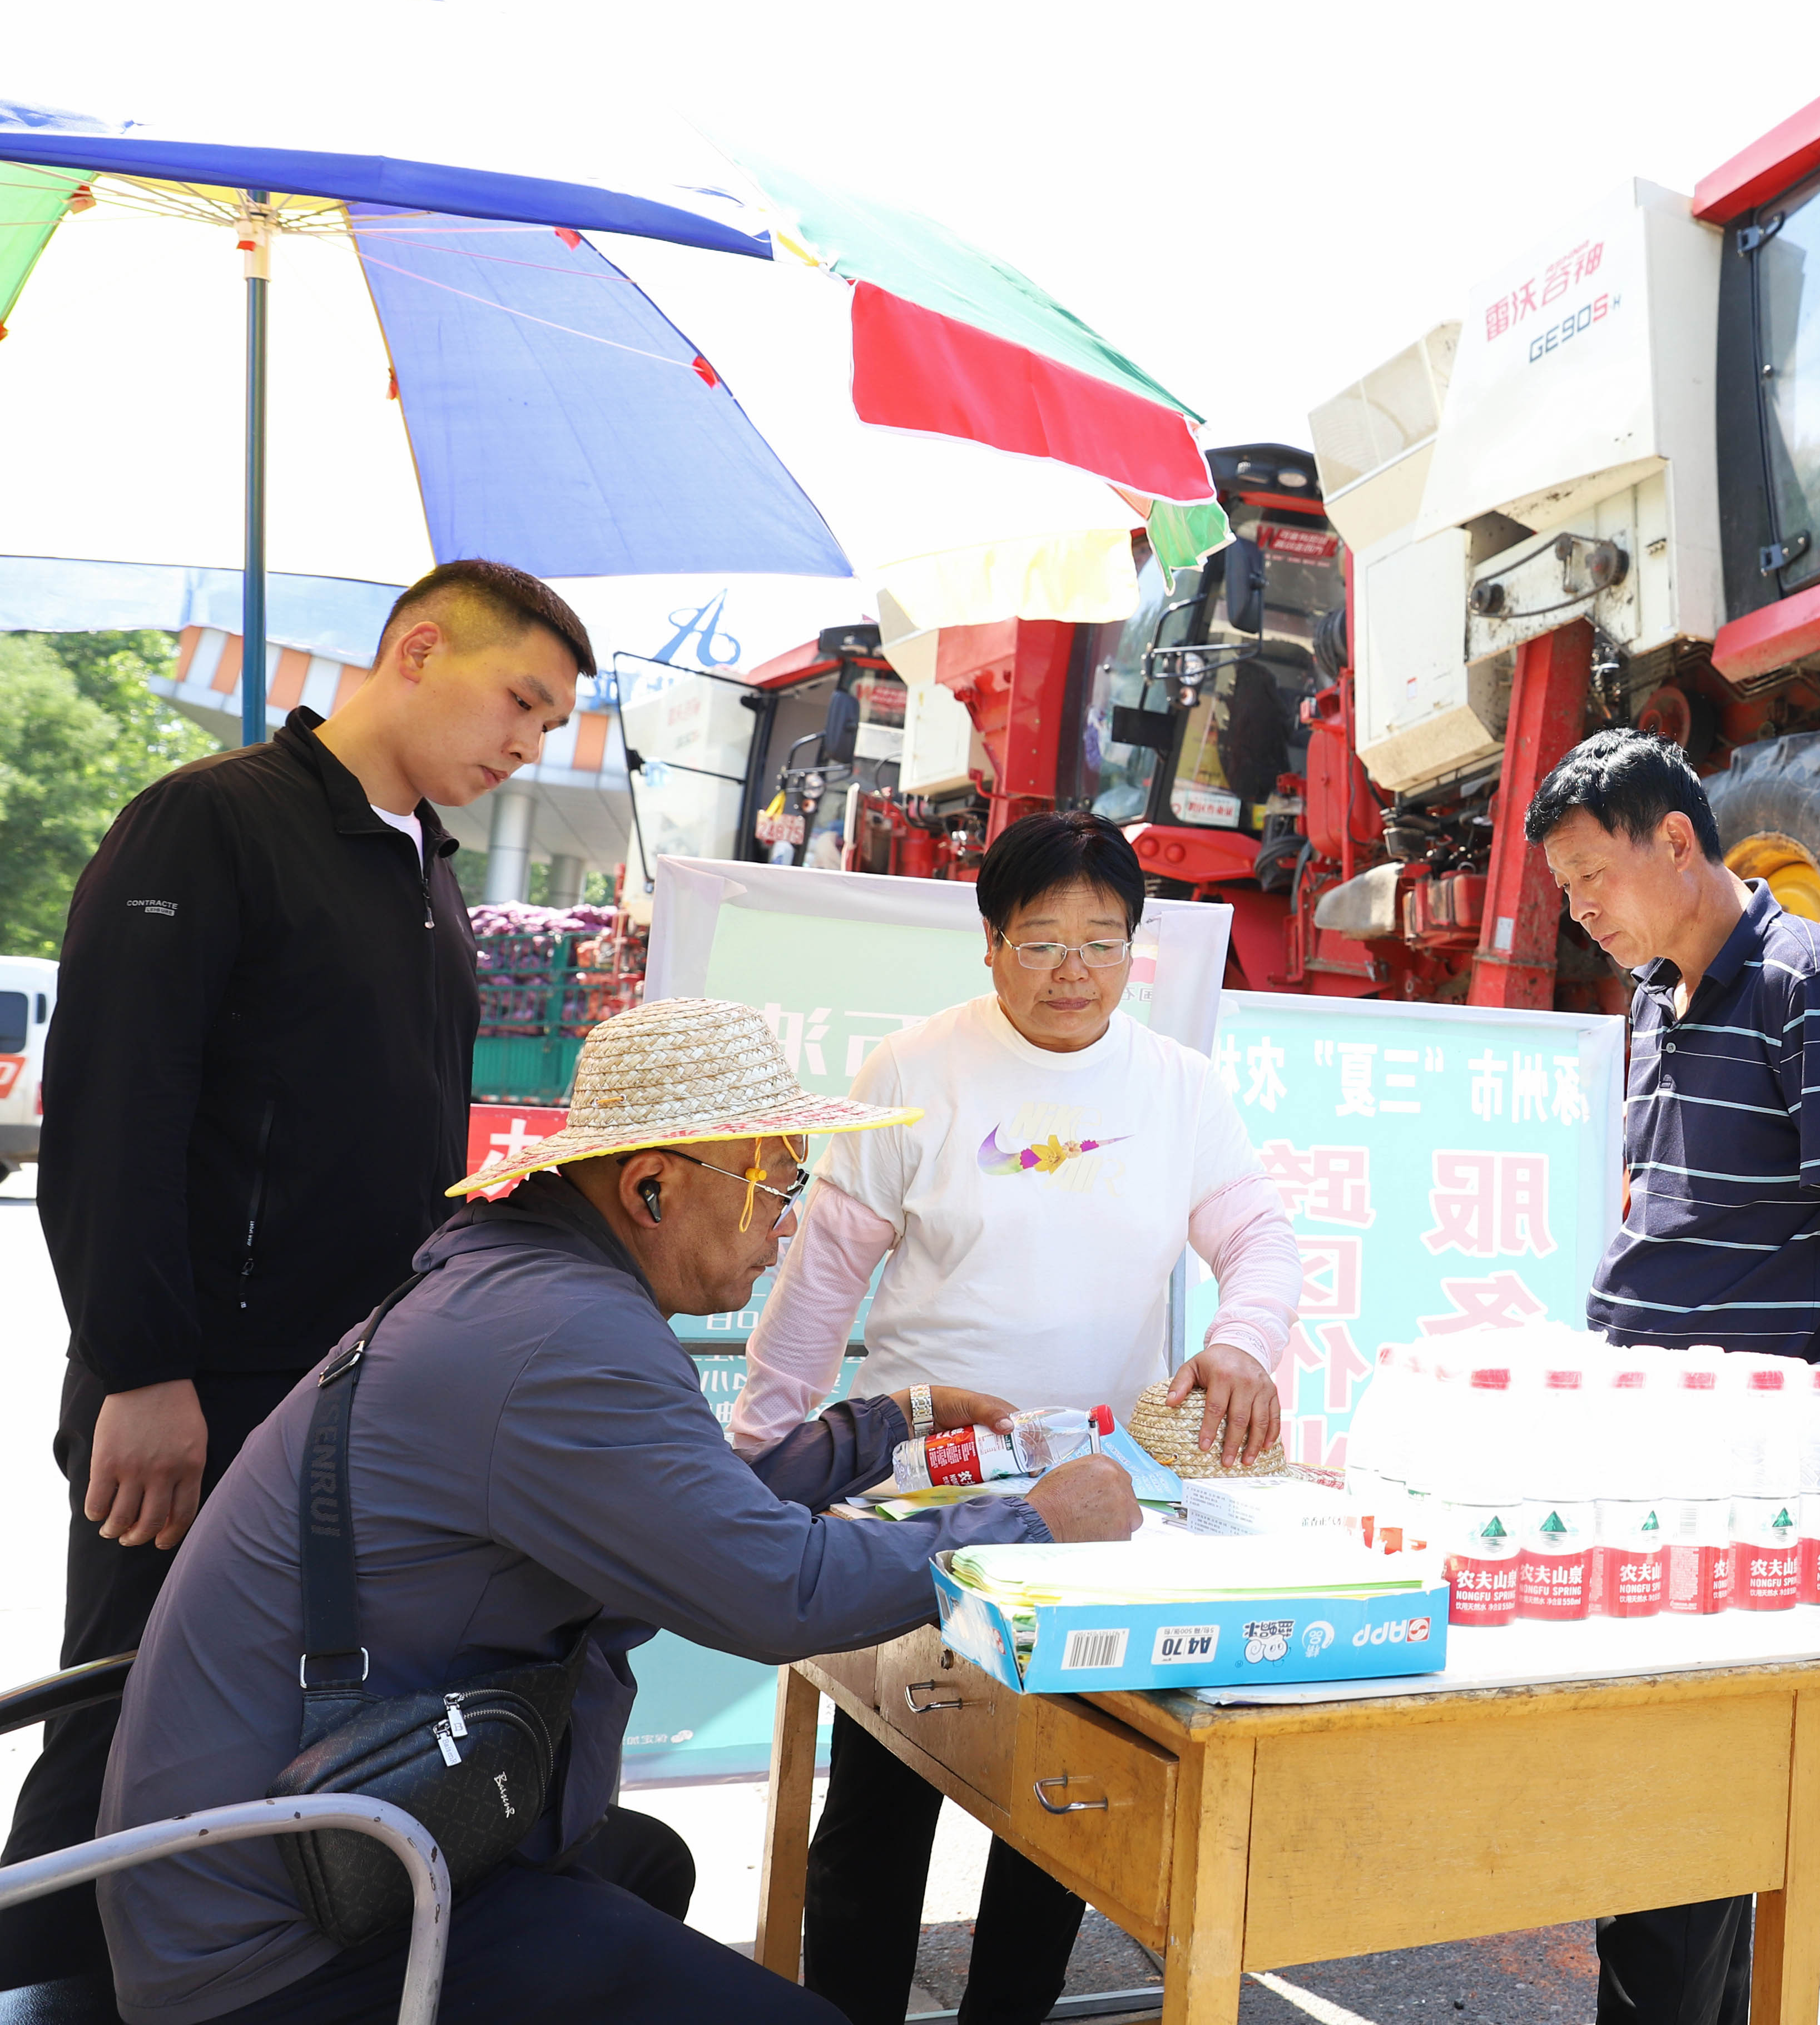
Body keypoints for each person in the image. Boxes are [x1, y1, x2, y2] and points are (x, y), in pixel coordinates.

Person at [93, 995, 1144, 2024]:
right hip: (287, 1933)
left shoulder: (525, 1283)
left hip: (287, 1836)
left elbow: (689, 1515)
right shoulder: (562, 1338)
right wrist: (1036, 1526)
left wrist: (889, 1425)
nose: (787, 1227)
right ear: (651, 1189)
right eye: (777, 1187)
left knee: (649, 1865)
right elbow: (777, 1590)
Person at [8, 560, 597, 1985]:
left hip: (353, 1402)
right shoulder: (212, 821)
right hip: (196, 1387)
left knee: (274, 1748)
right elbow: (113, 1111)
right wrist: (143, 1368)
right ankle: (36, 1981)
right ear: (418, 648)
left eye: (551, 724)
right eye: (521, 701)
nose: (529, 744)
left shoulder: (428, 867)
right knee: (120, 1722)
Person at [730, 808, 1302, 2025]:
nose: (1071, 971)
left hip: (1094, 1506)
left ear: (1136, 949)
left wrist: (1244, 1341)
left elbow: (1257, 1233)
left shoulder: (1178, 1086)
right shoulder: (916, 1068)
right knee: (885, 1798)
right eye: (1041, 941)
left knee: (1063, 1804)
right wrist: (759, 1457)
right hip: (926, 1494)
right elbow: (821, 1279)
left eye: (1102, 941)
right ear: (990, 943)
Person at [1524, 729, 1820, 2025]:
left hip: (1732, 1474)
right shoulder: (1657, 992)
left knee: (1684, 1812)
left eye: (1593, 877)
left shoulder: (1812, 984)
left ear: (1677, 839)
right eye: (1566, 890)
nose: (1581, 911)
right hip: (1642, 1451)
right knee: (1654, 1814)